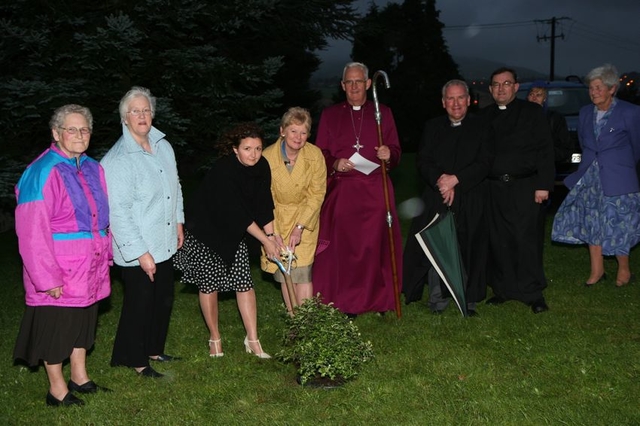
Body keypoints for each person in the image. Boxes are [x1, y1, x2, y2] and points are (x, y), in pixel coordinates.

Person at [13, 104, 112, 406]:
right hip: (59, 270)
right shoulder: (42, 172)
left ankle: (79, 377)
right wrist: (46, 278)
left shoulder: (94, 168)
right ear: (56, 133)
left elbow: (101, 220)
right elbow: (31, 232)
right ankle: (56, 389)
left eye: (84, 129)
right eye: (71, 129)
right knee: (56, 330)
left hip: (89, 266)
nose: (79, 134)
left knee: (82, 325)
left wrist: (104, 256)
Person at [174, 123, 280, 358]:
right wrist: (265, 241)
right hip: (206, 230)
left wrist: (272, 236)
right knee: (210, 284)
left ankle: (253, 340)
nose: (254, 154)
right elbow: (238, 213)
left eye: (258, 148)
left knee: (244, 283)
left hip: (234, 230)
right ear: (235, 149)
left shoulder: (262, 165)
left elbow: (264, 202)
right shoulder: (224, 170)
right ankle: (215, 338)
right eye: (247, 148)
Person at [101, 87, 185, 378]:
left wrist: (178, 220)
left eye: (146, 110)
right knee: (139, 303)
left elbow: (175, 186)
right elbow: (117, 212)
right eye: (135, 111)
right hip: (138, 244)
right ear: (125, 117)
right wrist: (140, 252)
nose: (142, 115)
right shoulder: (118, 160)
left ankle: (152, 348)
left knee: (162, 299)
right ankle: (134, 359)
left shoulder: (163, 145)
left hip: (163, 237)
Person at [313, 61, 403, 316]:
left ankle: (378, 299)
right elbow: (321, 152)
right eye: (348, 82)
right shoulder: (331, 115)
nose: (353, 86)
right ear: (342, 86)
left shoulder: (382, 112)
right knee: (346, 248)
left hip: (376, 189)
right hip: (345, 190)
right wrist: (335, 162)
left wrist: (389, 154)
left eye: (358, 81)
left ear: (368, 83)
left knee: (375, 247)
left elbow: (396, 151)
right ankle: (346, 301)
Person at [403, 80, 491, 316]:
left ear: (469, 100)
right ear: (443, 103)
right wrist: (441, 180)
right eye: (450, 99)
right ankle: (438, 299)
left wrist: (457, 179)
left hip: (470, 194)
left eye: (460, 98)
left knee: (469, 247)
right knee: (438, 246)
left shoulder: (482, 126)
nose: (455, 103)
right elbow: (423, 160)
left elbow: (485, 161)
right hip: (437, 195)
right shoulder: (432, 127)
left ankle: (469, 299)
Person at [552, 64, 640, 287]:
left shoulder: (630, 112)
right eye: (591, 88)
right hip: (589, 177)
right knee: (592, 221)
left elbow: (636, 146)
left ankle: (624, 269)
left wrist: (620, 164)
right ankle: (597, 270)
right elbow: (585, 142)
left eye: (599, 87)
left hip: (618, 176)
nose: (593, 92)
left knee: (618, 223)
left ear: (612, 89)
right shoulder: (584, 113)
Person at [483, 67, 555, 314]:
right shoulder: (484, 116)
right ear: (490, 89)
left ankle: (532, 293)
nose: (501, 88)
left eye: (506, 84)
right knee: (498, 240)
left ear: (516, 87)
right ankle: (502, 290)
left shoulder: (532, 113)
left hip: (526, 186)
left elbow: (545, 150)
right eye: (496, 84)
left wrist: (543, 185)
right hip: (493, 188)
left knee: (526, 240)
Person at [260, 107, 327, 313]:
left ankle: (306, 323)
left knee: (303, 273)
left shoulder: (315, 155)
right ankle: (294, 321)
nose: (298, 137)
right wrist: (274, 232)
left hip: (305, 219)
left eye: (303, 132)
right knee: (285, 274)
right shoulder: (267, 157)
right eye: (293, 131)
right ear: (282, 131)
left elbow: (317, 194)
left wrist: (300, 226)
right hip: (276, 219)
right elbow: (263, 197)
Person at [527, 85, 572, 166]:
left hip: (548, 166)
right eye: (531, 94)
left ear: (545, 98)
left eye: (538, 95)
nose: (534, 98)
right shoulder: (520, 118)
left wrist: (545, 153)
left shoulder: (555, 119)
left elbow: (565, 148)